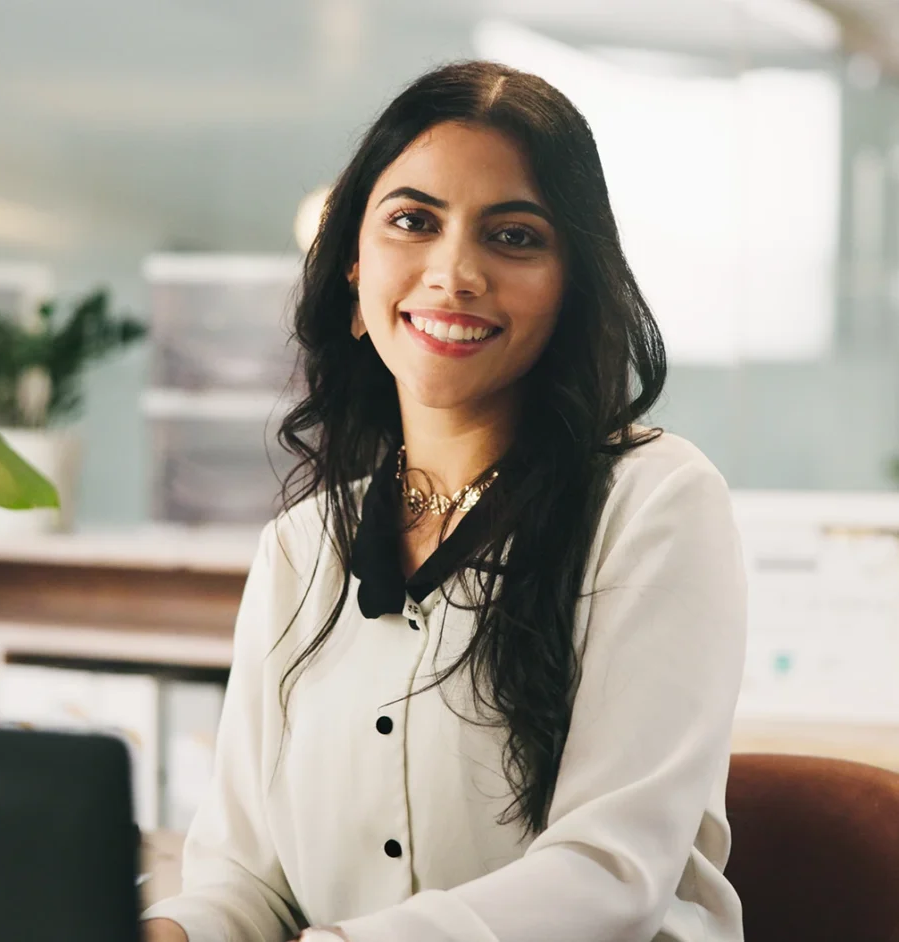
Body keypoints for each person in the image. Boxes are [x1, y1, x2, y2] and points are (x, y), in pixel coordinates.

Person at [142, 59, 747, 942]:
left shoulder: (657, 504)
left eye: (513, 237)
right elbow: (243, 878)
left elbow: (612, 874)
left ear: (571, 289)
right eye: (413, 222)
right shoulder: (300, 547)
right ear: (353, 272)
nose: (454, 273)